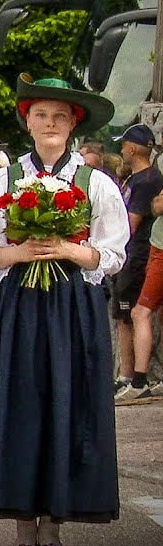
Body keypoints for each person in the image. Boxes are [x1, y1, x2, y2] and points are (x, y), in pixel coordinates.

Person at [0, 75, 125, 546]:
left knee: (66, 400)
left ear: (73, 124)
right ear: (28, 122)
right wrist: (19, 251)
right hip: (18, 304)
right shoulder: (2, 179)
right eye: (41, 116)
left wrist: (68, 249)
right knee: (20, 401)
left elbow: (113, 253)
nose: (50, 124)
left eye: (59, 116)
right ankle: (20, 526)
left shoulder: (95, 183)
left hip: (71, 304)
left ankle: (53, 526)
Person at [112, 123, 161, 401]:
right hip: (130, 254)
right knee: (123, 315)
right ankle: (126, 376)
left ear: (132, 148)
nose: (121, 150)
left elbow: (130, 224)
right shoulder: (134, 179)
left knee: (134, 312)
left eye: (123, 145)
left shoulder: (148, 180)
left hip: (138, 253)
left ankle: (136, 378)